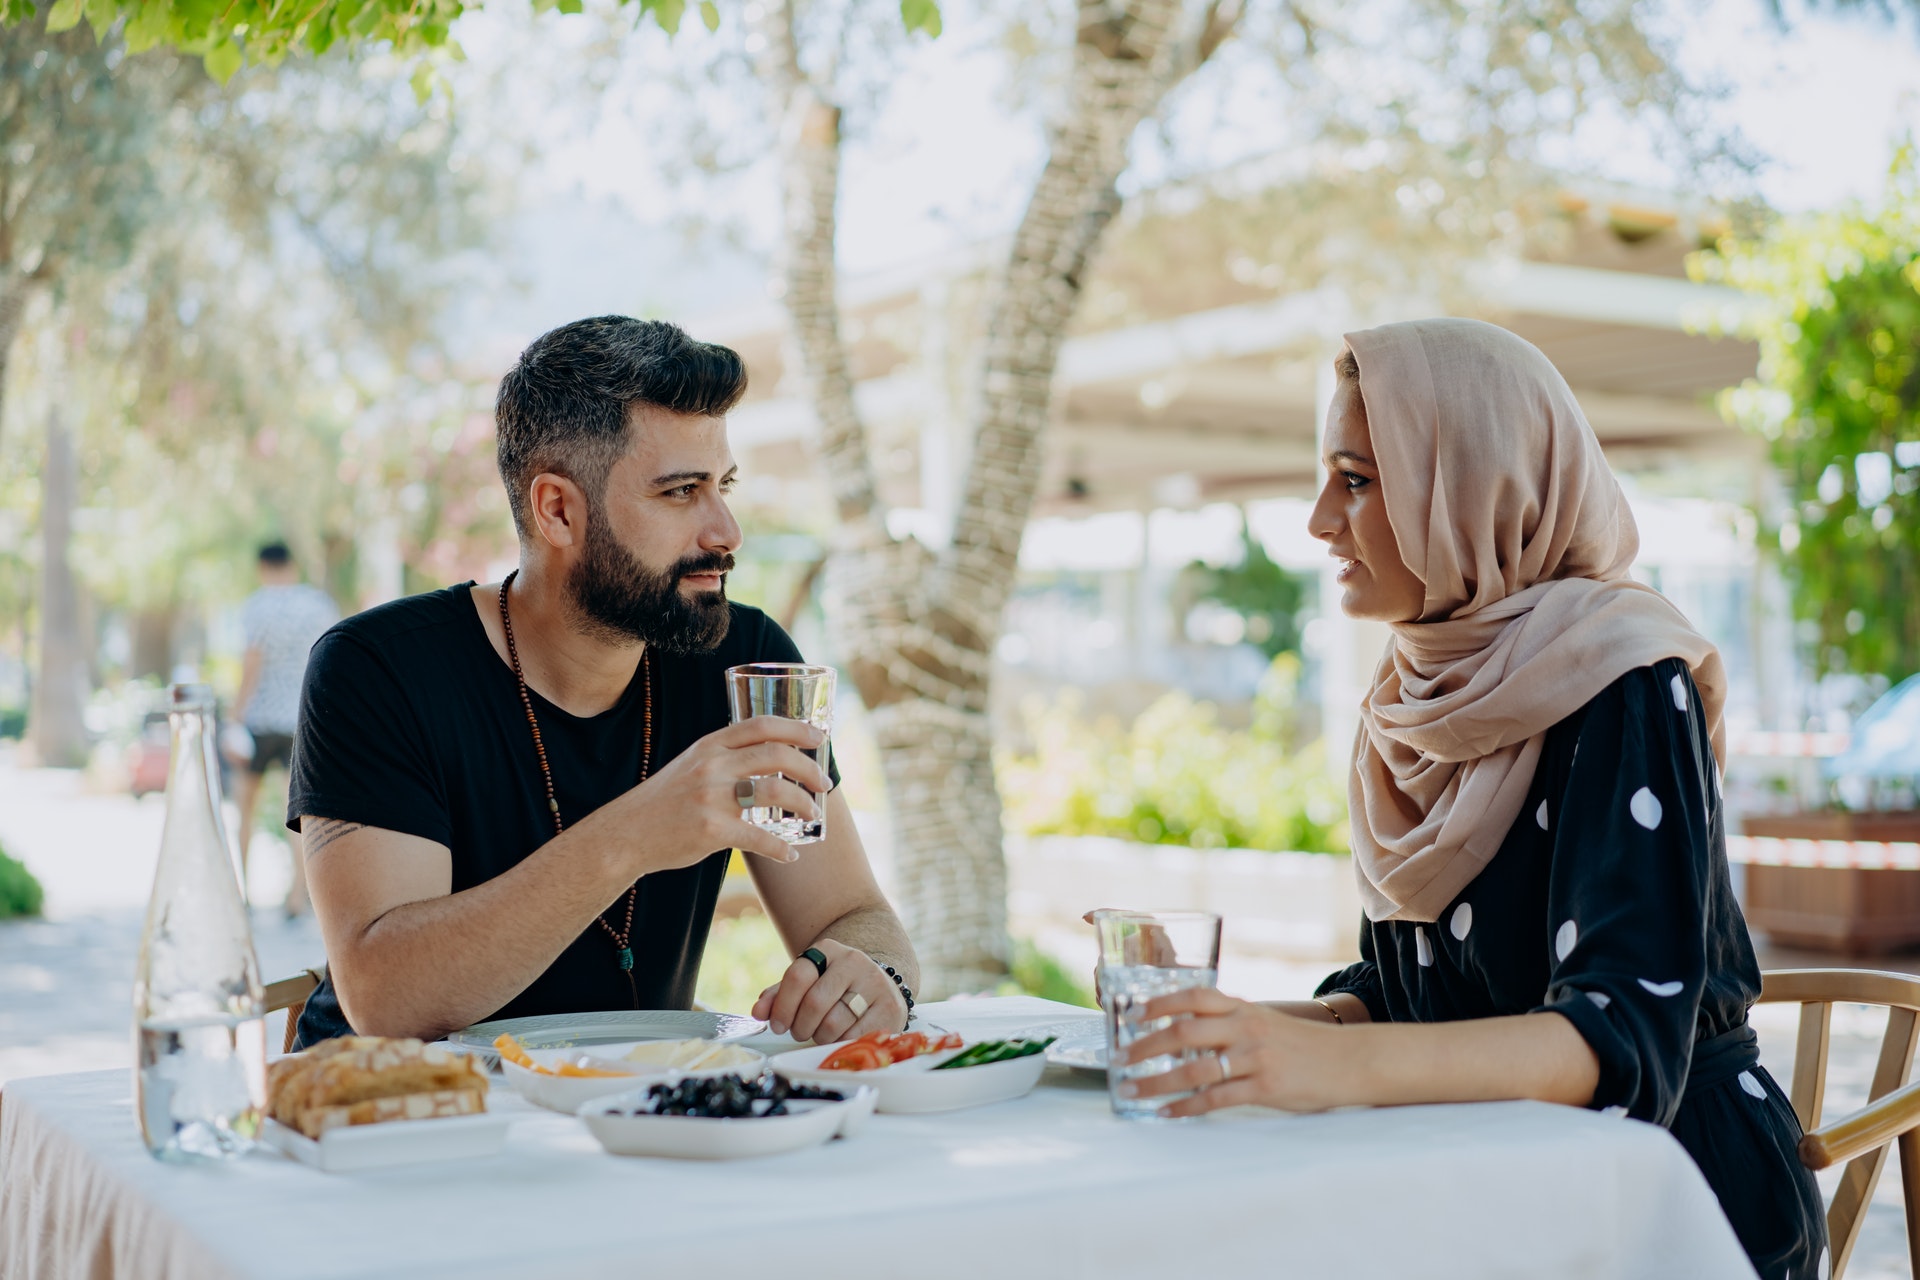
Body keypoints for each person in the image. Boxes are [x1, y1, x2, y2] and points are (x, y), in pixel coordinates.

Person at [1119, 319, 1826, 1280]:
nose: (1320, 519)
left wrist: (1320, 1071)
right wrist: (1213, 1027)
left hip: (1666, 1204)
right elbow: (1402, 996)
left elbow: (1625, 1038)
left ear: (1473, 487)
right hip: (1487, 1184)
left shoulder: (1621, 675)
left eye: (1358, 479)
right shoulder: (1414, 700)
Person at [286, 315, 917, 1050]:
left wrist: (875, 975)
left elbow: (855, 913)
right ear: (558, 509)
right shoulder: (377, 669)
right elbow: (385, 999)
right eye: (681, 492)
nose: (726, 530)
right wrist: (640, 832)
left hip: (626, 1111)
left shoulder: (740, 657)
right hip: (399, 1119)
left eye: (722, 485)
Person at [234, 542, 339, 916]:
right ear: (291, 565)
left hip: (259, 722)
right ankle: (298, 895)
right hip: (302, 720)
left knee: (244, 808)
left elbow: (252, 666)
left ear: (262, 567)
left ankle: (242, 893)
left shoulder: (256, 607)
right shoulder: (316, 605)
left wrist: (234, 716)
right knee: (297, 814)